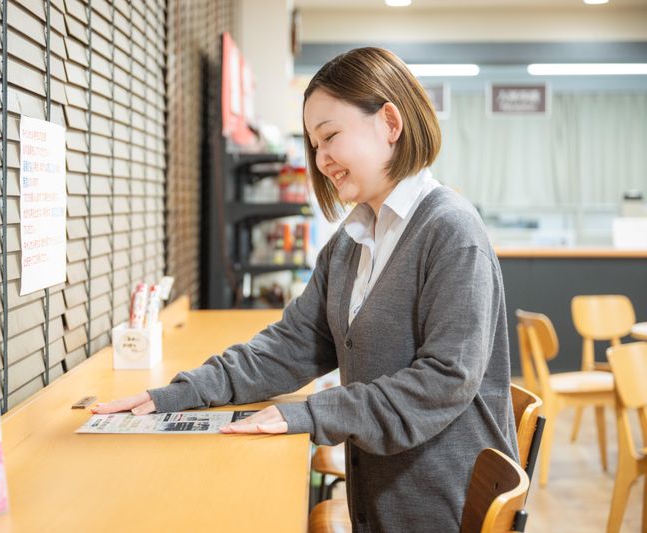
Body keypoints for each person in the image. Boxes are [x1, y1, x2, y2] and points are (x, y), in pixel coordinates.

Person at [94, 47, 518, 532]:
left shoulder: (452, 232)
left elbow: (446, 380)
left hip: (440, 506)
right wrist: (177, 394)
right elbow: (291, 346)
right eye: (314, 144)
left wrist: (313, 414)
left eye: (331, 136)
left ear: (390, 123)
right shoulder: (352, 243)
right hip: (384, 498)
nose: (321, 160)